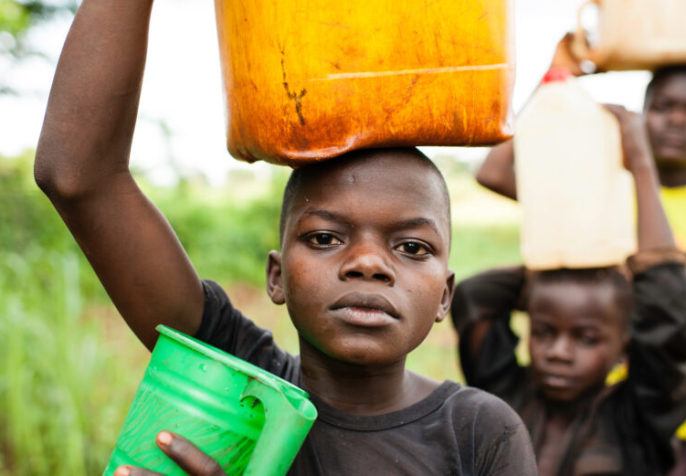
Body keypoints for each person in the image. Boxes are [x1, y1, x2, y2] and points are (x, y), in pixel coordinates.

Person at [33, 1, 537, 474]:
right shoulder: (239, 383)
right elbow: (79, 178)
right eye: (324, 238)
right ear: (277, 276)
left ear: (445, 294)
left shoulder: (480, 432)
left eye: (411, 248)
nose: (367, 263)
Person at [451, 102, 686, 475]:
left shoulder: (639, 414)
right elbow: (474, 296)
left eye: (587, 337)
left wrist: (640, 162)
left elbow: (667, 305)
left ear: (625, 345)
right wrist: (558, 261)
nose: (559, 352)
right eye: (543, 332)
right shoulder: (504, 396)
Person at [476, 37, 686, 249]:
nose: (677, 120)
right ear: (641, 112)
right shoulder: (601, 186)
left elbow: (667, 271)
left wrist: (641, 162)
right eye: (663, 107)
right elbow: (494, 174)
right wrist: (552, 78)